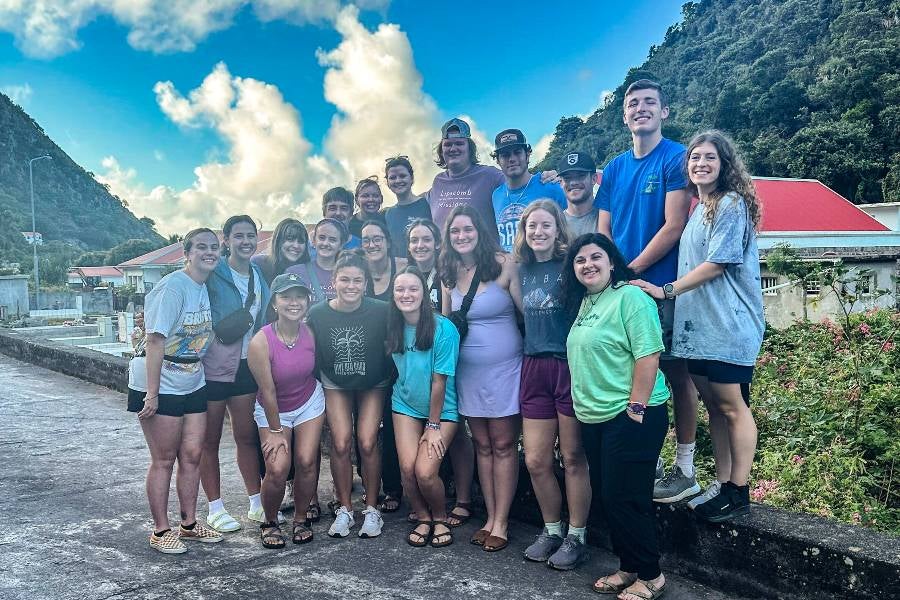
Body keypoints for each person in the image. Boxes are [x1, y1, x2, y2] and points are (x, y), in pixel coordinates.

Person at [632, 130, 764, 522]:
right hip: (701, 330)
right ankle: (723, 483)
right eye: (695, 158)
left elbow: (718, 262)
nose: (701, 164)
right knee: (715, 408)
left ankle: (738, 490)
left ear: (724, 164)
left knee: (732, 406)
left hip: (729, 327)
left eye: (709, 158)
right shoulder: (698, 210)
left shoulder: (730, 203)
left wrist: (665, 290)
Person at [596, 79, 700, 503]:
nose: (641, 109)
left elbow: (674, 224)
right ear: (624, 115)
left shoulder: (675, 158)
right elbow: (603, 230)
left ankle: (686, 466)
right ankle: (649, 459)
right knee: (632, 374)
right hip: (620, 289)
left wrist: (629, 270)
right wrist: (608, 273)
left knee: (676, 374)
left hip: (660, 288)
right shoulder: (616, 167)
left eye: (649, 103)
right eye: (633, 104)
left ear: (664, 112)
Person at [563, 233, 670, 600]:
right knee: (610, 496)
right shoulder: (587, 302)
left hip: (634, 413)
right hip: (595, 417)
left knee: (628, 496)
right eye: (580, 260)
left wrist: (635, 410)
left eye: (596, 257)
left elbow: (648, 355)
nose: (588, 264)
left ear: (612, 262)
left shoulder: (631, 298)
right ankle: (628, 567)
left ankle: (652, 575)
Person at [127, 227, 223, 553]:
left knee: (193, 455)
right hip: (161, 378)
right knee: (164, 458)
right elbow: (154, 340)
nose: (209, 252)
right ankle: (159, 530)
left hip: (193, 376)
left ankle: (189, 524)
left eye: (214, 247)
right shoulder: (173, 287)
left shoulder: (205, 286)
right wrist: (151, 394)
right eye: (201, 247)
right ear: (187, 253)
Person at [439, 204, 523, 552]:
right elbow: (446, 326)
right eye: (455, 231)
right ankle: (489, 517)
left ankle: (501, 521)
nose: (462, 236)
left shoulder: (504, 264)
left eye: (468, 229)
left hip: (506, 369)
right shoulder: (447, 271)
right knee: (483, 445)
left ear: (480, 231)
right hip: (469, 372)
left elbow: (526, 314)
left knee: (504, 445)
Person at [514, 201, 591, 570]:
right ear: (524, 232)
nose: (538, 232)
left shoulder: (570, 265)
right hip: (533, 366)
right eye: (532, 227)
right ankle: (552, 529)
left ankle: (577, 535)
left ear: (558, 229)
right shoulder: (521, 268)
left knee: (573, 457)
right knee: (536, 459)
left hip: (567, 366)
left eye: (545, 226)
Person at [306, 250, 391, 539]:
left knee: (367, 441)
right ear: (334, 280)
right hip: (336, 382)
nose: (351, 286)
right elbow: (310, 351)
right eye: (345, 280)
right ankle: (344, 508)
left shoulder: (381, 309)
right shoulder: (318, 313)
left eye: (357, 280)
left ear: (365, 283)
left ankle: (371, 508)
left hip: (373, 382)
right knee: (340, 442)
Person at [201, 215, 274, 534]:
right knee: (210, 439)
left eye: (250, 236)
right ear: (226, 240)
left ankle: (256, 502)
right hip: (215, 364)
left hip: (247, 364)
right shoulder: (213, 272)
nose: (245, 241)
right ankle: (214, 508)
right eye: (239, 236)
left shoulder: (259, 275)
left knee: (246, 436)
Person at [246, 273, 326, 548]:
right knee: (278, 467)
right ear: (274, 303)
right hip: (273, 408)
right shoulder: (261, 341)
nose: (294, 302)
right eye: (286, 297)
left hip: (308, 400)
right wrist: (277, 431)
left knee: (305, 461)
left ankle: (301, 518)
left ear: (308, 300)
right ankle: (269, 521)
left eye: (300, 296)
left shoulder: (312, 332)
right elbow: (267, 392)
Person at [405, 218, 476, 527]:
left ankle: (463, 498)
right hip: (419, 360)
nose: (420, 245)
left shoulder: (446, 272)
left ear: (437, 242)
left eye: (425, 239)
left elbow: (447, 318)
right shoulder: (407, 277)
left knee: (456, 429)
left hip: (448, 355)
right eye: (413, 240)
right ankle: (430, 491)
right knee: (429, 425)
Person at [387, 266, 460, 548]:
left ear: (425, 293)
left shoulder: (444, 328)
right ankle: (422, 516)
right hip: (404, 403)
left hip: (442, 411)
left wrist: (433, 426)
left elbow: (439, 382)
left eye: (413, 288)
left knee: (425, 472)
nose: (407, 294)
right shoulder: (393, 325)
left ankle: (440, 516)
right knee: (407, 469)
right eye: (400, 289)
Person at [490, 128, 566, 253]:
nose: (512, 159)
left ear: (527, 154)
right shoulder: (496, 195)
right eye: (505, 155)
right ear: (497, 160)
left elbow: (569, 228)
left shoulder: (550, 187)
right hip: (510, 269)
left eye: (517, 152)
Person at [384, 156, 432, 258]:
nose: (397, 181)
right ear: (387, 183)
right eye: (392, 177)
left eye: (402, 176)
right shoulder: (389, 214)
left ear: (412, 178)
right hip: (402, 271)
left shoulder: (427, 205)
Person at [294, 218, 351, 303]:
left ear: (341, 245)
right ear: (314, 241)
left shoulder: (350, 274)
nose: (325, 243)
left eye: (332, 240)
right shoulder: (295, 273)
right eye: (321, 238)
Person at [251, 218, 312, 286]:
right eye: (290, 239)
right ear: (278, 241)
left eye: (301, 241)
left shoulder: (311, 272)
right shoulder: (258, 265)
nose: (296, 245)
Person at [557, 151, 600, 239]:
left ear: (594, 179)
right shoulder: (555, 223)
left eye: (580, 176)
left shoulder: (608, 218)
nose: (573, 182)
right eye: (567, 178)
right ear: (561, 182)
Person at [362, 220, 407, 302]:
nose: (371, 245)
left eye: (377, 239)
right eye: (366, 241)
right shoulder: (358, 271)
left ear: (388, 242)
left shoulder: (405, 268)